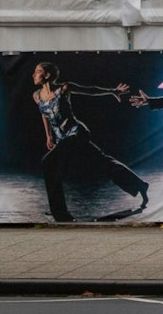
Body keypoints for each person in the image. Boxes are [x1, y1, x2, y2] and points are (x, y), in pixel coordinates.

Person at [31, 61, 147, 222]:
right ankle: (139, 185)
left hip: (76, 133)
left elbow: (90, 90)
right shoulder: (37, 96)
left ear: (47, 75)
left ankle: (60, 213)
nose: (34, 75)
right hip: (62, 138)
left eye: (37, 71)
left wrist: (112, 91)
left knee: (48, 163)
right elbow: (44, 114)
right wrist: (48, 136)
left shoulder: (63, 89)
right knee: (103, 162)